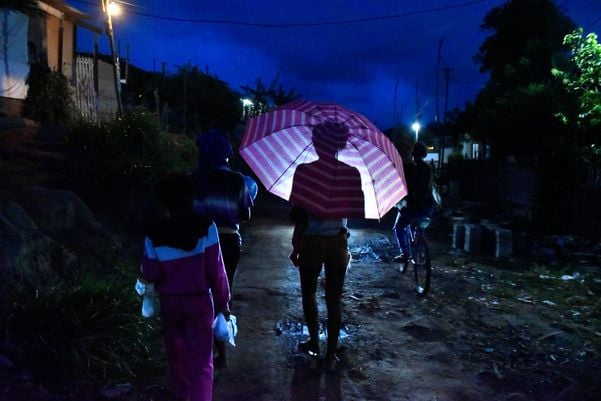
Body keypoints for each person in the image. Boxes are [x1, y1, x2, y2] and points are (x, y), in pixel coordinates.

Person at [140, 173, 230, 401]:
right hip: (199, 302)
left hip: (170, 304)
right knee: (201, 364)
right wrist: (223, 302)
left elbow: (150, 273)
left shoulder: (154, 233)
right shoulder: (206, 227)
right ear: (190, 197)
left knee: (177, 360)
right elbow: (216, 270)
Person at [288, 122, 362, 371]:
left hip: (311, 240)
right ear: (341, 143)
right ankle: (331, 353)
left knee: (309, 292)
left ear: (316, 142)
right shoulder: (352, 173)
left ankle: (314, 342)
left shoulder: (304, 172)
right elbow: (354, 209)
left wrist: (296, 244)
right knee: (334, 298)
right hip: (338, 241)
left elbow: (298, 215)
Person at [191, 129, 256, 368]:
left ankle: (200, 348)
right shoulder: (238, 181)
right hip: (228, 242)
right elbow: (245, 215)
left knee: (199, 294)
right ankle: (222, 351)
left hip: (196, 244)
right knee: (222, 293)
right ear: (226, 155)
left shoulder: (192, 180)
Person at [393, 141, 435, 262]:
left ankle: (405, 253)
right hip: (428, 206)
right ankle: (419, 250)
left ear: (413, 154)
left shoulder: (409, 168)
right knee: (419, 226)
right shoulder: (429, 168)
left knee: (399, 226)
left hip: (414, 204)